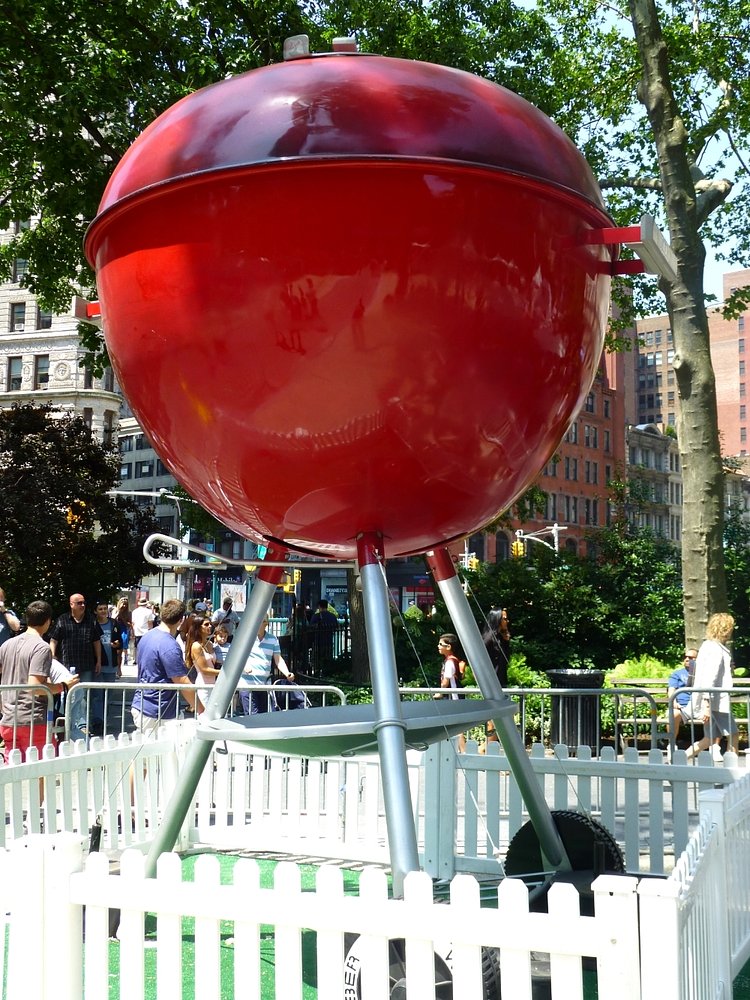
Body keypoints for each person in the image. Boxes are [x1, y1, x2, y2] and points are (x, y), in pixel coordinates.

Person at [0, 600, 68, 762]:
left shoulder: (7, 644)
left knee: (14, 774)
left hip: (9, 719)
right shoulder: (41, 647)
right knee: (41, 772)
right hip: (33, 720)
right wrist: (64, 686)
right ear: (48, 622)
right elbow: (36, 687)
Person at [130, 599, 200, 733]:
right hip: (159, 711)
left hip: (144, 705)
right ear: (182, 619)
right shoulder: (169, 645)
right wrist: (202, 710)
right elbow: (181, 681)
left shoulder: (147, 636)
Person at [687, 613, 739, 761]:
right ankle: (733, 773)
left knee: (709, 739)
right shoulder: (716, 649)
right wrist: (707, 705)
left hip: (711, 701)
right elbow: (710, 677)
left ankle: (675, 761)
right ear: (725, 628)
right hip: (716, 701)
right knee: (733, 735)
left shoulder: (707, 646)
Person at [49, 593, 102, 738]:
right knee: (65, 696)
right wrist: (52, 657)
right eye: (79, 603)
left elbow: (96, 642)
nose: (83, 605)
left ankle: (82, 725)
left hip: (86, 664)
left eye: (84, 602)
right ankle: (65, 723)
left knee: (84, 696)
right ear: (71, 604)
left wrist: (99, 660)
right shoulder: (62, 620)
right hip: (66, 666)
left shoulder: (91, 620)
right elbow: (53, 640)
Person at [239, 615, 294, 715]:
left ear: (266, 623)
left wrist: (287, 673)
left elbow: (278, 659)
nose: (259, 623)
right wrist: (244, 666)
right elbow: (237, 657)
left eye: (262, 621)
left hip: (264, 685)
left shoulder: (273, 639)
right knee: (253, 717)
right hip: (247, 684)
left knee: (264, 717)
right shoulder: (245, 638)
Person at [93, 600, 121, 735]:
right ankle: (98, 722)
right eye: (100, 609)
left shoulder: (113, 623)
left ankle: (104, 719)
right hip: (98, 665)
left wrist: (117, 644)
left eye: (105, 608)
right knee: (97, 695)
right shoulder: (93, 624)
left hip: (111, 664)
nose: (103, 611)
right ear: (95, 611)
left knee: (108, 695)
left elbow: (120, 643)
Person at [185, 615, 220, 707]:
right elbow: (204, 670)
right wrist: (224, 673)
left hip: (214, 685)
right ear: (198, 627)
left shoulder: (210, 644)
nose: (210, 626)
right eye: (206, 624)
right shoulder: (196, 646)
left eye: (210, 624)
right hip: (203, 687)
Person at [667, 647, 698, 746]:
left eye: (691, 657)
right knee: (672, 714)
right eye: (685, 657)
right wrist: (674, 702)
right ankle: (671, 745)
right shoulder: (677, 674)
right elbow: (671, 690)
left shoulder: (703, 674)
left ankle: (714, 747)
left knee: (714, 714)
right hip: (682, 707)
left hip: (699, 706)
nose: (687, 659)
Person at [434, 633, 465, 700]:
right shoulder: (452, 660)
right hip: (454, 695)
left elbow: (446, 681)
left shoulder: (449, 662)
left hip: (453, 696)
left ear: (448, 647)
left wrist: (440, 693)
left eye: (440, 644)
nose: (438, 646)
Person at [309, 598, 338, 670]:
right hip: (329, 641)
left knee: (316, 661)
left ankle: (317, 673)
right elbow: (336, 627)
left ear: (319, 606)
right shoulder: (332, 616)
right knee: (327, 660)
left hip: (318, 641)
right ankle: (327, 673)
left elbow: (311, 627)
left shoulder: (316, 616)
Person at [113, 598, 133, 668]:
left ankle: (119, 667)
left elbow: (129, 624)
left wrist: (123, 618)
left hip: (123, 630)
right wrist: (119, 612)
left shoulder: (129, 613)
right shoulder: (115, 610)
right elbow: (112, 620)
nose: (124, 606)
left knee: (121, 649)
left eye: (126, 604)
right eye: (123, 604)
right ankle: (116, 667)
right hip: (115, 630)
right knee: (116, 650)